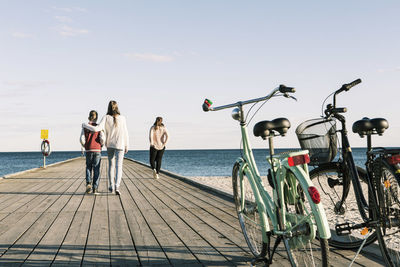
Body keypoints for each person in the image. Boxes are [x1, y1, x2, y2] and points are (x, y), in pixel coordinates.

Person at [82, 101, 129, 195]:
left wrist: (84, 125)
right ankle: (117, 186)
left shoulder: (106, 117)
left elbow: (96, 129)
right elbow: (125, 132)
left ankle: (111, 186)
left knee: (111, 166)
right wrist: (127, 145)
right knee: (119, 166)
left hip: (110, 145)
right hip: (120, 144)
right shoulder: (123, 118)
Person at [80, 110, 105, 194]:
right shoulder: (99, 127)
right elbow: (102, 138)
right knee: (96, 169)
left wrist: (85, 145)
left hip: (88, 150)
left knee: (88, 167)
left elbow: (82, 139)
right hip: (97, 149)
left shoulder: (85, 127)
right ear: (97, 118)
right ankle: (95, 188)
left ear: (89, 117)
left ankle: (88, 183)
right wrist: (101, 144)